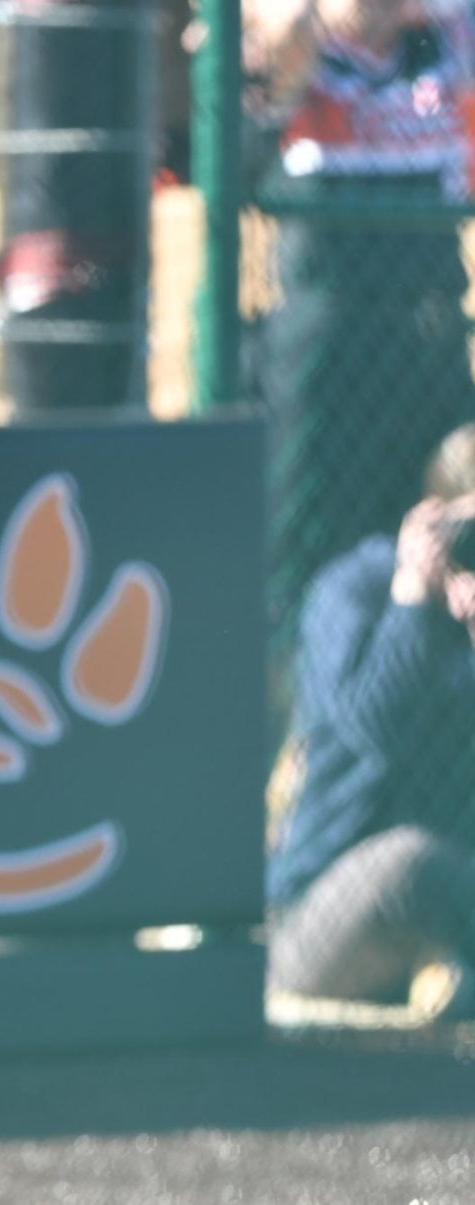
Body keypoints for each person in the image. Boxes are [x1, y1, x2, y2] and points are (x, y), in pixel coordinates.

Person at [239, 0, 475, 645]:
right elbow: (253, 25)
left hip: (432, 334)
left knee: (443, 523)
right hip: (329, 346)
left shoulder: (448, 32)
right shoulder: (294, 44)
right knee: (311, 547)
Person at [268, 422, 475, 1013]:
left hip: (459, 891)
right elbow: (379, 726)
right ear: (431, 520)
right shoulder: (353, 589)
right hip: (324, 916)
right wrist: (414, 596)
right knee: (411, 861)